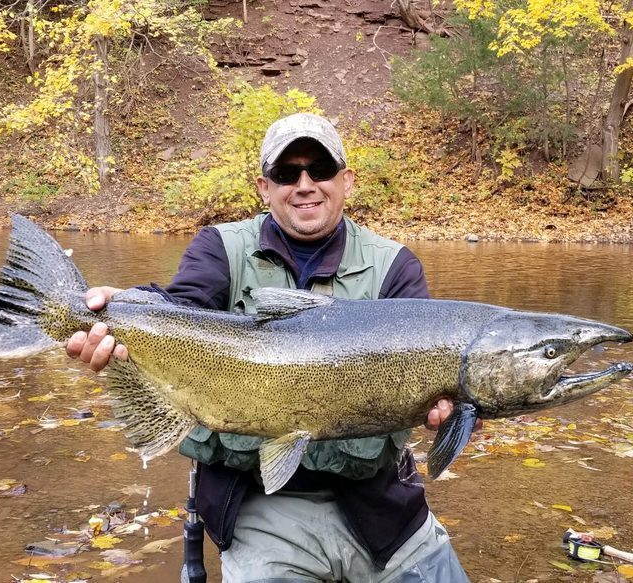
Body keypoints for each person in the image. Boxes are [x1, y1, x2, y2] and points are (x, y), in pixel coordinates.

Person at [65, 113, 472, 582]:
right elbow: (180, 307)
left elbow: (440, 365)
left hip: (379, 504)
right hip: (258, 502)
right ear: (264, 187)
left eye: (319, 169)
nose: (305, 185)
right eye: (286, 173)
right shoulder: (219, 247)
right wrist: (127, 306)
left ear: (346, 181)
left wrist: (459, 412)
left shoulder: (395, 266)